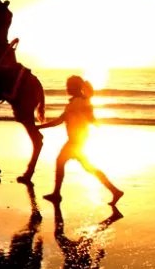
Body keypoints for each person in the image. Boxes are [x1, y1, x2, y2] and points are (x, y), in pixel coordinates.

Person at [39, 75, 123, 204]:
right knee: (86, 167)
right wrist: (40, 127)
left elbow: (84, 117)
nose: (66, 88)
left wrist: (38, 127)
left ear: (74, 87)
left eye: (68, 86)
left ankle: (57, 194)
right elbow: (61, 120)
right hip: (78, 140)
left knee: (62, 162)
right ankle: (115, 191)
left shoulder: (80, 102)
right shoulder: (76, 102)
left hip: (76, 141)